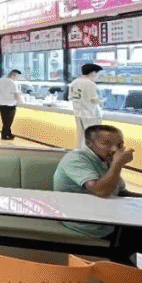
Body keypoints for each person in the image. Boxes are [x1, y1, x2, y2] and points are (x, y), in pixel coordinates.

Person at [53, 125, 142, 263]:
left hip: (109, 217)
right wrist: (118, 164)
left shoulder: (106, 161)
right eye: (107, 143)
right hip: (86, 223)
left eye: (119, 145)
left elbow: (120, 192)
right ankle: (121, 266)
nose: (114, 149)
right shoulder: (76, 159)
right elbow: (100, 190)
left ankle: (124, 265)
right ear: (90, 144)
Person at [70, 63, 104, 149]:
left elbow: (71, 97)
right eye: (97, 73)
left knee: (80, 137)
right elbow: (93, 100)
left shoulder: (74, 82)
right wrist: (101, 100)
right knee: (91, 138)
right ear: (93, 73)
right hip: (90, 114)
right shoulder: (91, 84)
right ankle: (87, 154)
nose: (97, 76)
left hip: (78, 112)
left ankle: (79, 153)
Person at [0, 69, 22, 140]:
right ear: (14, 75)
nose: (18, 79)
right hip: (10, 104)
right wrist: (21, 99)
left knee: (5, 120)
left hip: (0, 103)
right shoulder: (12, 83)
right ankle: (4, 135)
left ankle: (9, 134)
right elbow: (16, 96)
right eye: (18, 77)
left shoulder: (0, 80)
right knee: (8, 121)